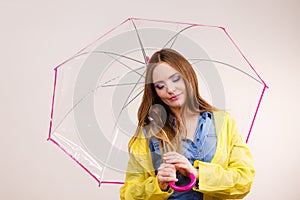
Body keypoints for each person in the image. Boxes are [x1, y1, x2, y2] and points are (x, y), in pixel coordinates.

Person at [120, 48, 255, 200]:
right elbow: (128, 194)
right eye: (160, 86)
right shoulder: (148, 135)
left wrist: (197, 173)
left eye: (175, 78)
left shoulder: (223, 123)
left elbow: (244, 180)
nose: (170, 89)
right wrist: (158, 184)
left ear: (188, 76)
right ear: (154, 91)